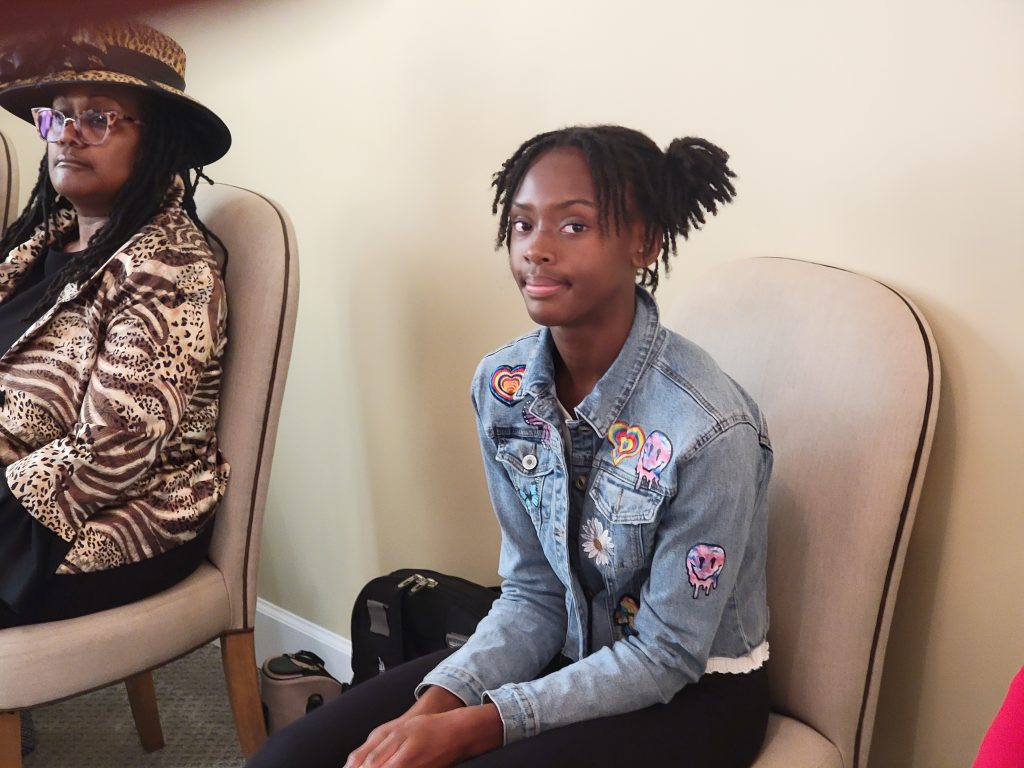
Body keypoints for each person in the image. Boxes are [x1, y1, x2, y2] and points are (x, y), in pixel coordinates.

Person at [247, 126, 772, 768]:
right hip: (567, 645)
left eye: (574, 226)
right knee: (289, 757)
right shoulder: (504, 387)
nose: (536, 250)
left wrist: (476, 727)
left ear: (645, 243)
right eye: (523, 225)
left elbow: (666, 655)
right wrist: (428, 711)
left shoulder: (710, 428)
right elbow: (533, 593)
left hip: (695, 695)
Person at [0, 20, 231, 630]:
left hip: (100, 516)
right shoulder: (38, 243)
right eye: (58, 115)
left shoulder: (172, 269)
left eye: (98, 117)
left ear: (159, 143)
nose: (66, 133)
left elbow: (112, 449)